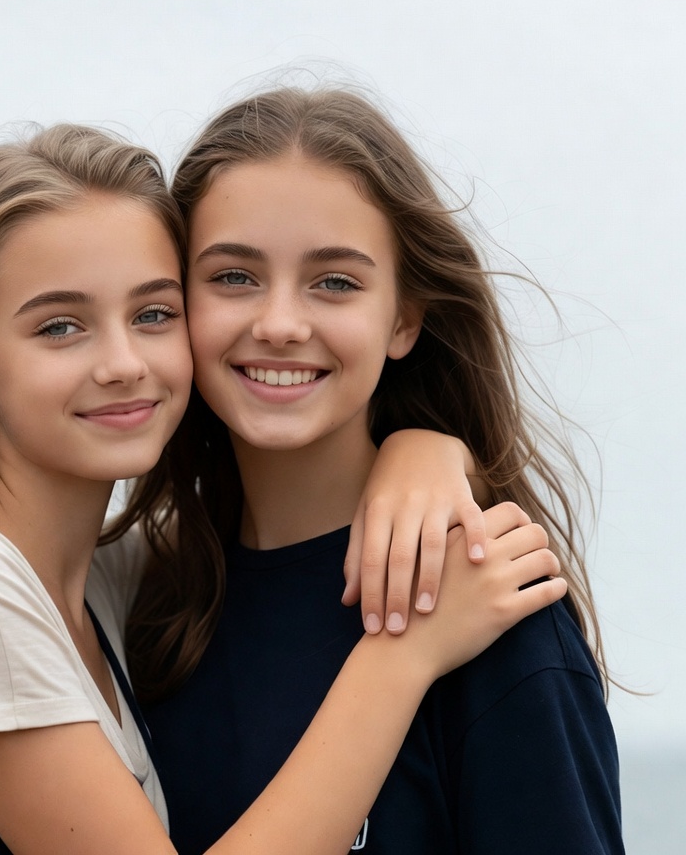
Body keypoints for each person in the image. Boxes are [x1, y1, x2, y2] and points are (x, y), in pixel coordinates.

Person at [0, 123, 566, 855]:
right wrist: (403, 653)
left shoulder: (118, 592)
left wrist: (427, 452)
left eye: (151, 314)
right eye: (59, 327)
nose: (122, 363)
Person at [116, 88, 625, 854]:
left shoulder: (488, 609)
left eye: (336, 283)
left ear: (404, 319)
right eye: (232, 277)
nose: (280, 323)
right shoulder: (145, 610)